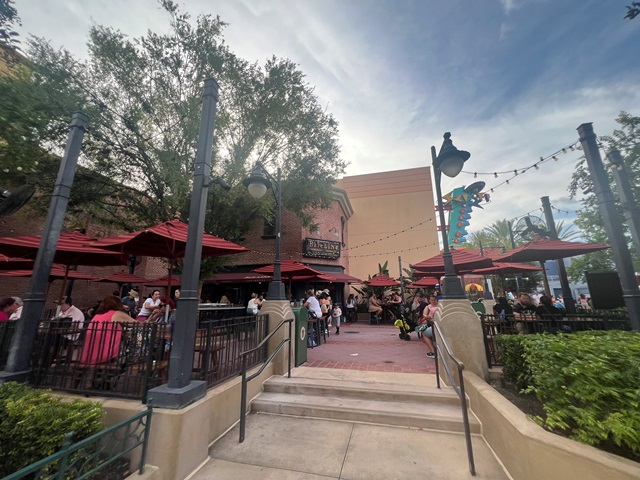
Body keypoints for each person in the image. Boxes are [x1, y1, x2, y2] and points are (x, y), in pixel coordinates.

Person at [80, 295, 130, 365]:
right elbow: (137, 324)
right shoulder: (116, 314)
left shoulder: (98, 315)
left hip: (88, 354)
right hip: (106, 353)